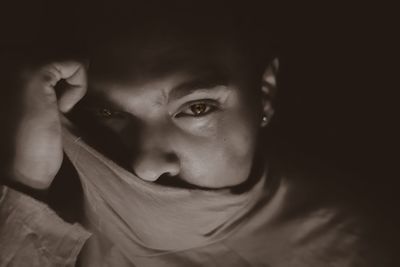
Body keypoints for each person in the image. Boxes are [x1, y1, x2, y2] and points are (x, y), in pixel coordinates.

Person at [0, 1, 396, 266]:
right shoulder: (53, 202)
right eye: (108, 111)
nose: (146, 167)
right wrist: (27, 182)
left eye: (197, 108)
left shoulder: (356, 248)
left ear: (264, 94)